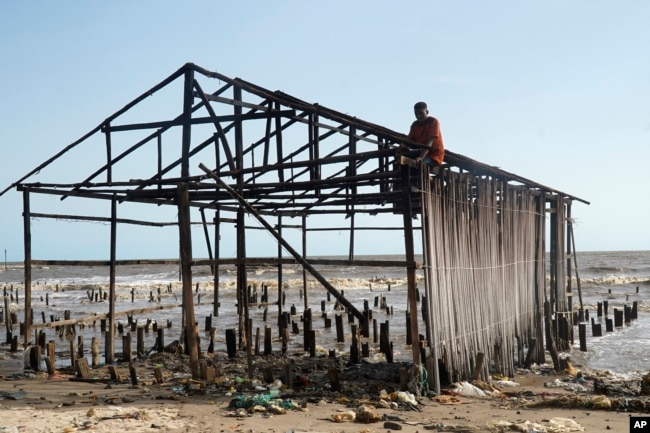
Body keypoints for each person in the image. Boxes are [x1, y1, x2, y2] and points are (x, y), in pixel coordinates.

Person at [404, 101, 445, 168]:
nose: (418, 116)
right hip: (421, 152)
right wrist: (403, 147)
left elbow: (429, 143)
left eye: (421, 113)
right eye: (416, 114)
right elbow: (408, 141)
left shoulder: (433, 121)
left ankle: (428, 178)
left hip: (434, 156)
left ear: (427, 112)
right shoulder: (415, 125)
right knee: (401, 157)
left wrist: (420, 158)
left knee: (417, 165)